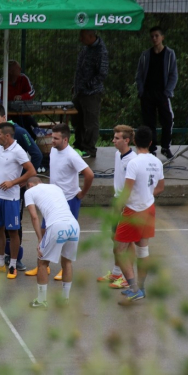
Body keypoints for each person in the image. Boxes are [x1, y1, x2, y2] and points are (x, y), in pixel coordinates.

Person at [25, 123, 93, 280]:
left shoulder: (72, 156)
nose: (52, 141)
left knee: (65, 236)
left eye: (55, 138)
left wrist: (82, 193)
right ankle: (44, 265)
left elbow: (89, 174)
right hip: (53, 200)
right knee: (44, 231)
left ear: (65, 139)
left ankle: (65, 267)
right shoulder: (54, 151)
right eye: (52, 137)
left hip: (69, 200)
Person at [0, 104, 43, 271]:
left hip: (12, 196)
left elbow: (34, 162)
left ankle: (14, 262)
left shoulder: (19, 140)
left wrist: (19, 181)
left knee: (13, 230)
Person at [115, 126, 164, 305]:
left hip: (133, 210)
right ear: (151, 143)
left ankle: (134, 288)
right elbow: (160, 187)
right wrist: (148, 195)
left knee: (119, 250)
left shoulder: (134, 162)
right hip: (149, 209)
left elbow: (126, 190)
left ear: (134, 141)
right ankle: (141, 289)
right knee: (143, 249)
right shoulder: (156, 162)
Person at [0, 123, 36, 279]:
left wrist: (13, 183)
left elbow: (31, 171)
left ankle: (12, 265)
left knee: (12, 231)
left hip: (11, 197)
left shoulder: (18, 151)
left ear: (7, 136)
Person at [24, 177, 81, 309]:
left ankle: (41, 300)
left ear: (30, 184)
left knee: (42, 262)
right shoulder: (56, 187)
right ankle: (65, 299)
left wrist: (40, 239)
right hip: (73, 225)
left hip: (57, 226)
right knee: (67, 262)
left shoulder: (29, 192)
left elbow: (34, 217)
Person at [96, 125, 137, 289]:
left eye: (117, 138)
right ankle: (116, 272)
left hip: (128, 205)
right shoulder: (117, 154)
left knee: (127, 242)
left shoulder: (133, 160)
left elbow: (131, 187)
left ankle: (128, 278)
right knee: (116, 239)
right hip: (117, 202)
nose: (113, 140)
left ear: (126, 140)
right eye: (114, 137)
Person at [136, 26, 178, 159]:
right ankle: (152, 148)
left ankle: (165, 147)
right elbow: (139, 75)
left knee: (167, 120)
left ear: (162, 37)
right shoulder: (145, 55)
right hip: (147, 94)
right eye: (152, 36)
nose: (154, 38)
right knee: (149, 123)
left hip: (162, 94)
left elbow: (173, 75)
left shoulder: (170, 54)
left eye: (156, 36)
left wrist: (168, 91)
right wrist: (141, 91)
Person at [72, 30, 109, 159]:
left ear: (90, 36)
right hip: (79, 92)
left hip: (91, 93)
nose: (80, 39)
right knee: (77, 120)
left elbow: (102, 73)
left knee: (90, 121)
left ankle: (89, 148)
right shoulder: (86, 48)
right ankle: (79, 145)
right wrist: (76, 86)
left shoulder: (100, 51)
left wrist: (89, 84)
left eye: (82, 36)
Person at [0, 60, 38, 140]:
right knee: (16, 128)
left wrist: (21, 97)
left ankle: (33, 141)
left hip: (24, 112)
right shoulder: (2, 82)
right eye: (17, 68)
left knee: (32, 124)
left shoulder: (23, 78)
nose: (20, 69)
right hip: (8, 115)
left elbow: (32, 92)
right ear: (10, 71)